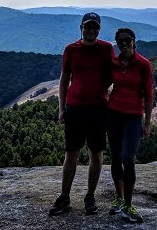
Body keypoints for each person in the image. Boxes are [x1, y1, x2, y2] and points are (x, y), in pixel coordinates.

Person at [49, 12, 115, 216]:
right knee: (71, 154)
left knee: (96, 153)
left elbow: (113, 75)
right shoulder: (71, 49)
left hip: (98, 108)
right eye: (88, 27)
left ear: (99, 29)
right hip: (75, 108)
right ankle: (65, 197)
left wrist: (101, 89)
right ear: (81, 28)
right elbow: (64, 79)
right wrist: (61, 109)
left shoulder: (106, 49)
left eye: (95, 27)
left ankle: (90, 196)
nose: (91, 30)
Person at [107, 27, 153, 223]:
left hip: (133, 117)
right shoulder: (114, 63)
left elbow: (149, 95)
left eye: (127, 40)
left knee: (128, 157)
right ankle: (119, 199)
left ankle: (128, 204)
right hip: (113, 114)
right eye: (120, 41)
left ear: (134, 41)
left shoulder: (143, 64)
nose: (124, 44)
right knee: (115, 157)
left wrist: (147, 123)